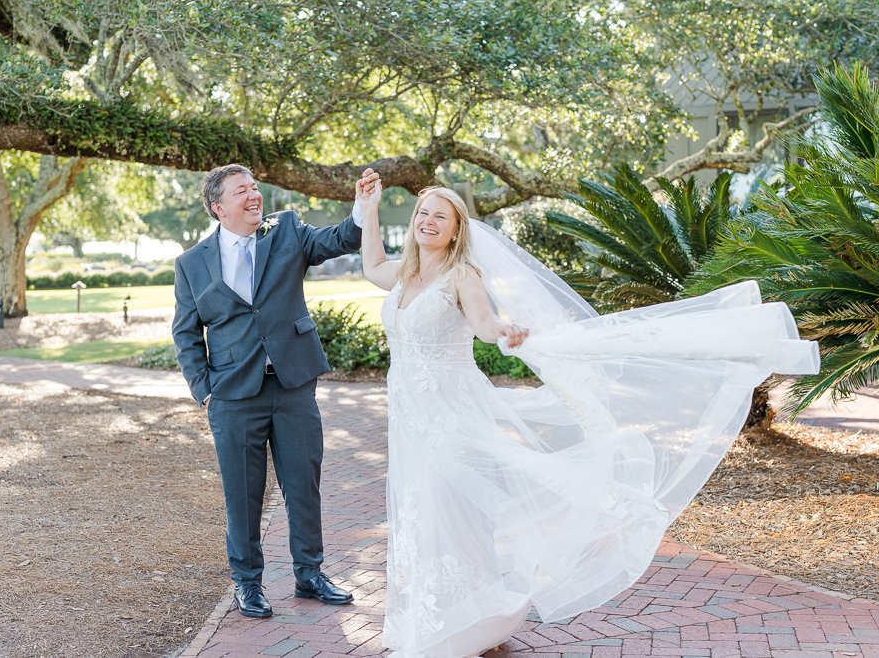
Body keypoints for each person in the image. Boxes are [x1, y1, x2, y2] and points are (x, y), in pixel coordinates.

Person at [357, 180, 819, 657]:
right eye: (422, 214)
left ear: (455, 231)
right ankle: (455, 618)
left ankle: (464, 623)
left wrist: (504, 329)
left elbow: (484, 324)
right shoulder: (405, 275)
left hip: (451, 418)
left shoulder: (461, 276)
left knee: (449, 512)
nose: (427, 222)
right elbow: (371, 266)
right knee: (422, 513)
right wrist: (368, 209)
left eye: (439, 217)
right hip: (411, 417)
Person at [172, 164, 380, 619]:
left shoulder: (287, 231)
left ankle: (310, 573)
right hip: (232, 396)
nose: (253, 195)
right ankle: (248, 583)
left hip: (292, 386)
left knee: (304, 485)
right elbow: (186, 333)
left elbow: (339, 238)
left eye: (254, 188)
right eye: (240, 191)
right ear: (217, 207)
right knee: (243, 494)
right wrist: (204, 390)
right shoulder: (191, 263)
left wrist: (363, 208)